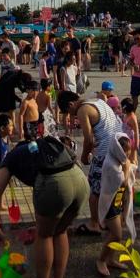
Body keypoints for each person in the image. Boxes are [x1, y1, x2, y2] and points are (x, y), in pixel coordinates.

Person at [0, 135, 89, 278]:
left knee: (45, 235)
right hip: (80, 180)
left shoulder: (12, 157)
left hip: (55, 184)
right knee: (60, 232)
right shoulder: (45, 148)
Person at [57, 90, 121, 235]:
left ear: (71, 104)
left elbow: (89, 139)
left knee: (94, 190)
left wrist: (84, 157)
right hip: (117, 150)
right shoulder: (97, 101)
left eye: (69, 112)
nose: (72, 116)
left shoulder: (82, 110)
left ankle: (94, 224)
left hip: (105, 155)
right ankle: (105, 220)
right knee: (106, 188)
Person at [96, 133, 136, 278]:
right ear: (117, 149)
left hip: (117, 202)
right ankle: (101, 260)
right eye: (125, 150)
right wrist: (127, 167)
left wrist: (128, 164)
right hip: (110, 205)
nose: (127, 154)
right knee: (117, 235)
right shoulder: (111, 164)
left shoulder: (118, 160)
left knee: (116, 235)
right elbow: (124, 182)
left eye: (129, 150)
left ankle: (111, 259)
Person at [120, 99, 139, 164]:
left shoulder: (132, 118)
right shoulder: (126, 115)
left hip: (131, 141)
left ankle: (134, 171)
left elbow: (136, 132)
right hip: (126, 139)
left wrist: (137, 144)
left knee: (133, 158)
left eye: (122, 107)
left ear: (125, 108)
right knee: (128, 157)